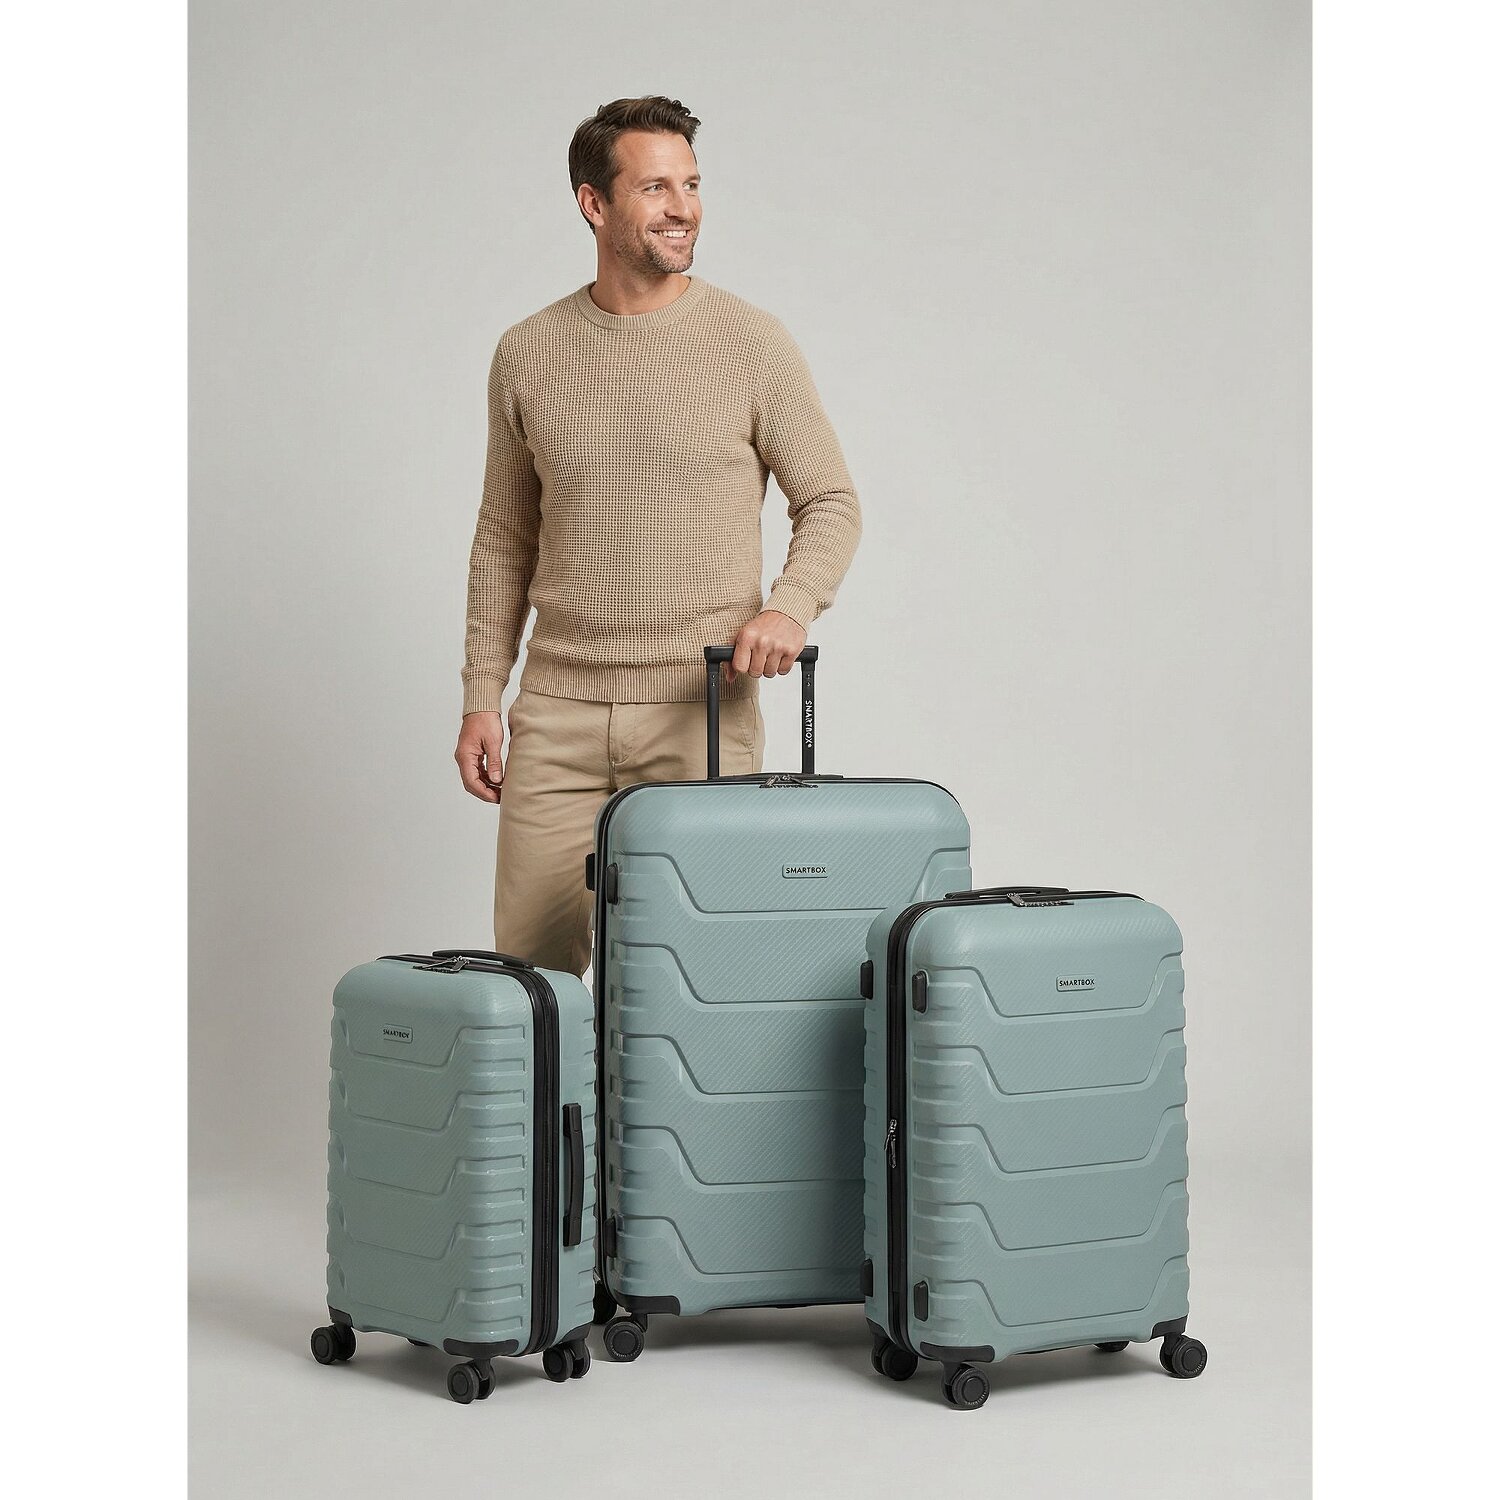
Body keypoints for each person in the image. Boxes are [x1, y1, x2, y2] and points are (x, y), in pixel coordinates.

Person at [454, 95, 861, 975]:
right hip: (556, 716)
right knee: (532, 979)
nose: (684, 208)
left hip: (700, 710)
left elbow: (830, 500)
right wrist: (482, 694)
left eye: (692, 185)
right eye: (656, 188)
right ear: (593, 203)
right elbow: (504, 539)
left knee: (698, 975)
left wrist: (790, 607)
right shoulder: (527, 352)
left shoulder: (750, 342)